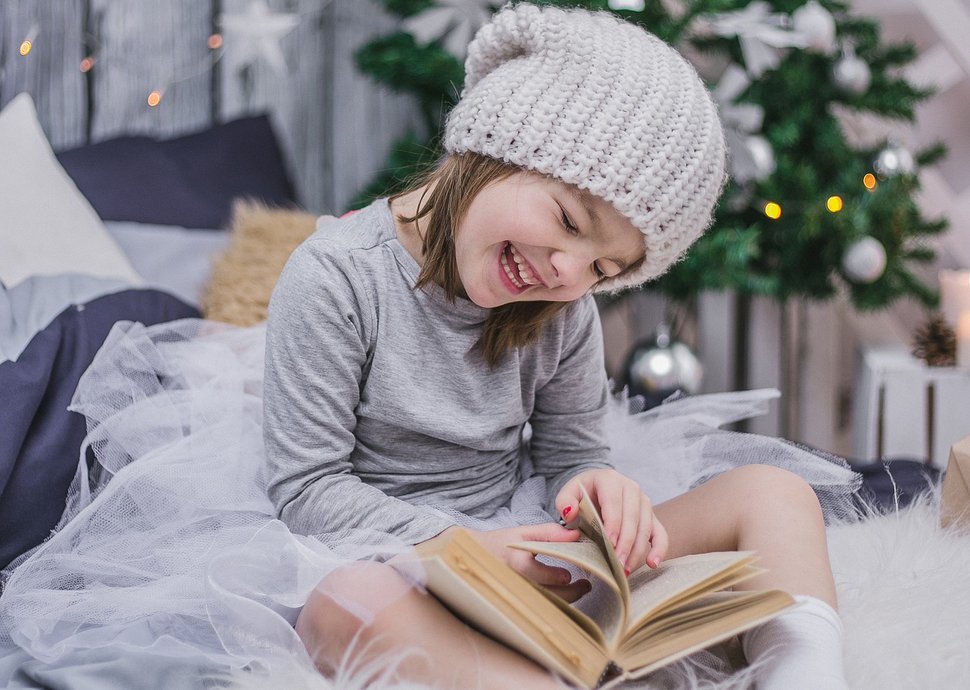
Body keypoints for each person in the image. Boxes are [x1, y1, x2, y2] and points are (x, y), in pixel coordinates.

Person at [263, 4, 854, 689]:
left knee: (774, 492)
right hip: (399, 562)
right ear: (491, 148)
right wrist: (463, 553)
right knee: (342, 607)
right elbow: (307, 489)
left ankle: (802, 671)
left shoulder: (561, 306)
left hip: (530, 557)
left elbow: (572, 454)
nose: (570, 273)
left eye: (605, 270)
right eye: (570, 221)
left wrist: (593, 490)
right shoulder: (337, 276)